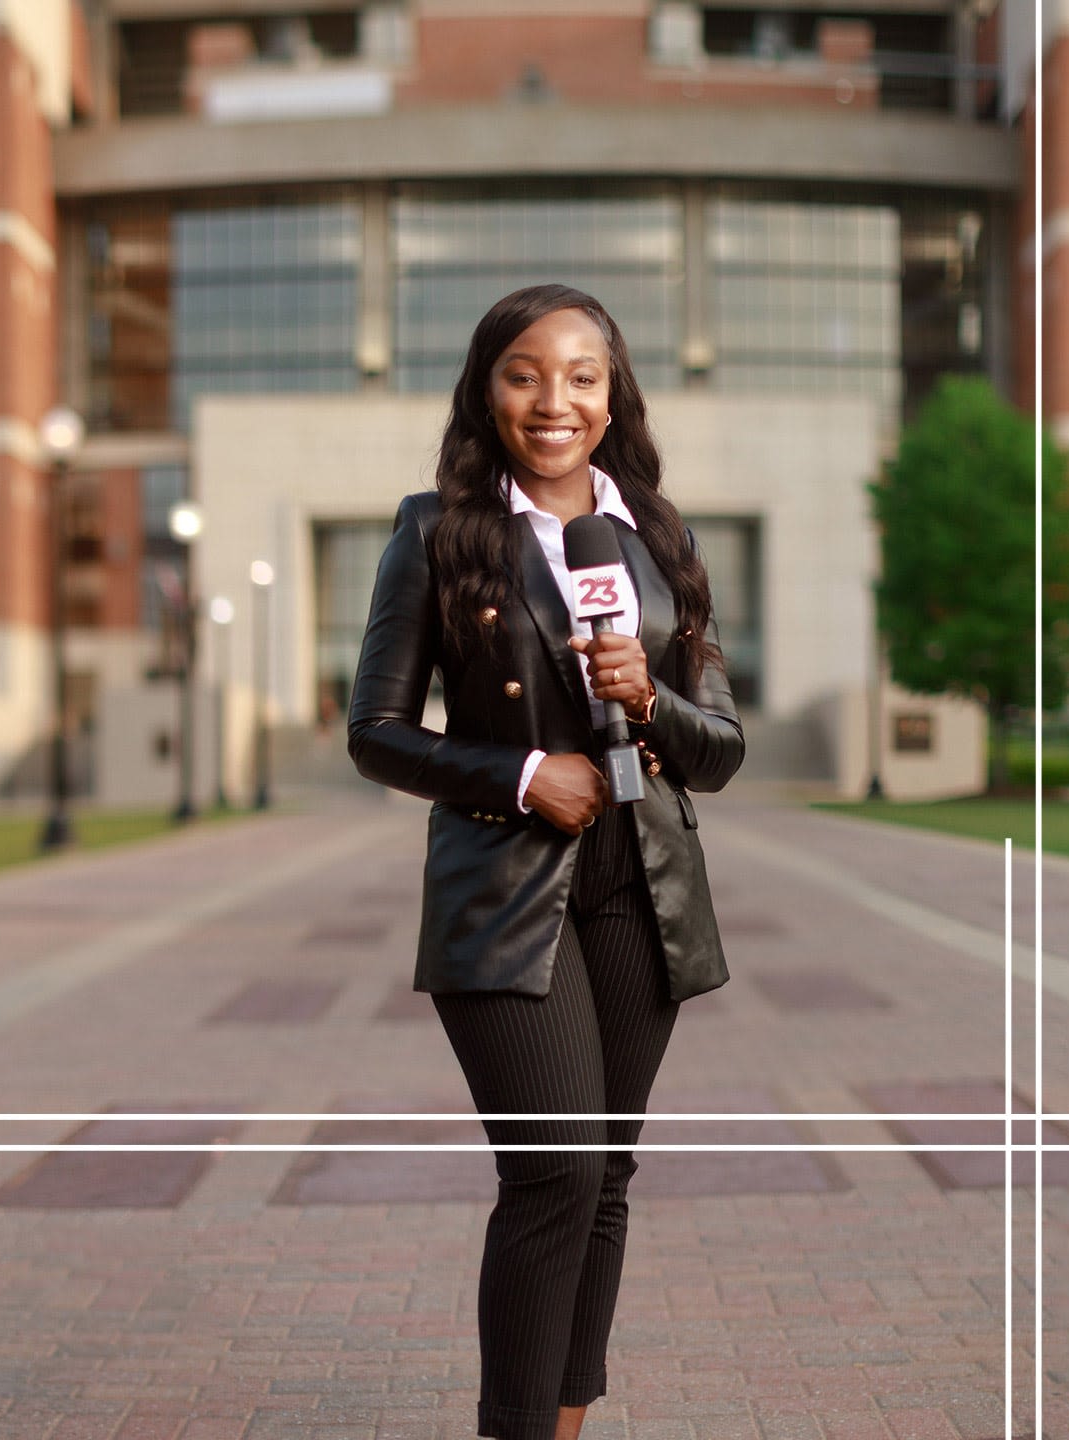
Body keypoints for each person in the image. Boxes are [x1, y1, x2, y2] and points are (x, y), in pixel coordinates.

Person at [345, 283, 744, 1440]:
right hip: (504, 891)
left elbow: (718, 748)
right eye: (524, 373)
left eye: (581, 375)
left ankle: (566, 1426)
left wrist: (650, 699)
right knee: (553, 1173)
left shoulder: (659, 538)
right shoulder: (435, 532)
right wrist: (525, 775)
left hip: (643, 888)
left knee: (604, 1180)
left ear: (612, 397)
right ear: (486, 390)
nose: (553, 399)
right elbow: (374, 731)